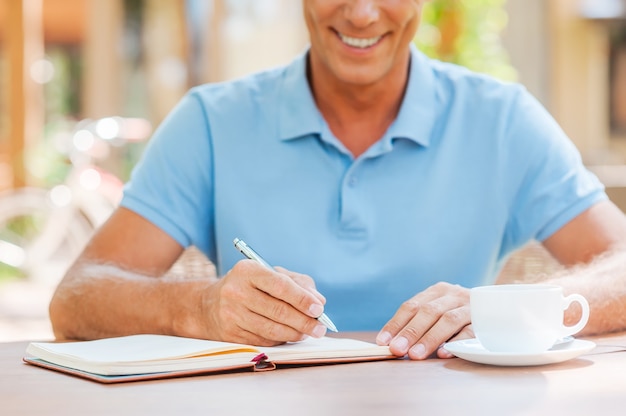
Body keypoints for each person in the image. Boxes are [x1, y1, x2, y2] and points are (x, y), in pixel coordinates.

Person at [49, 0, 626, 360]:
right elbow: (76, 300)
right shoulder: (212, 122)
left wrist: (519, 308)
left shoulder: (501, 120)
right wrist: (197, 307)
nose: (362, 13)